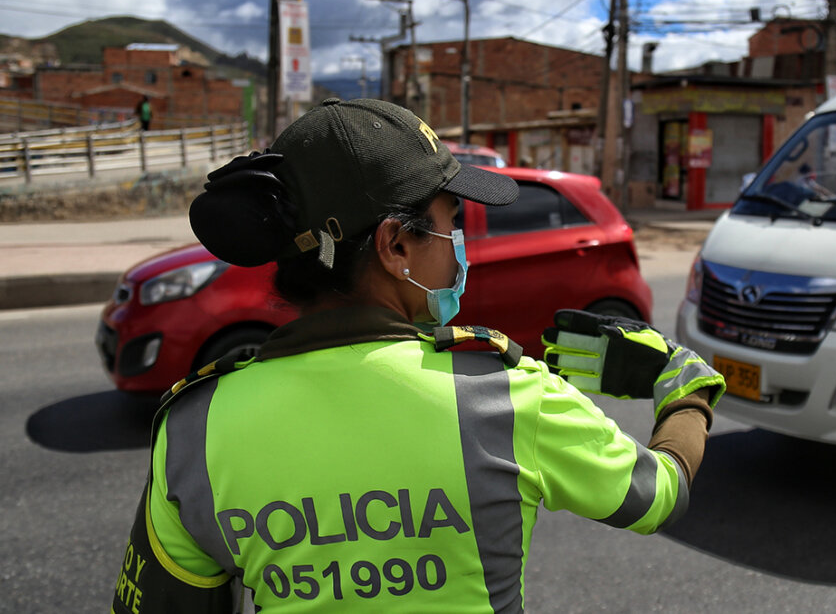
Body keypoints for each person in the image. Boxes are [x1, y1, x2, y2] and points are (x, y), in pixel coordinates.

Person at [110, 98, 724, 613]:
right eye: (448, 223)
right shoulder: (502, 394)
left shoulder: (194, 429)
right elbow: (659, 495)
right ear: (396, 244)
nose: (457, 248)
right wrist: (685, 385)